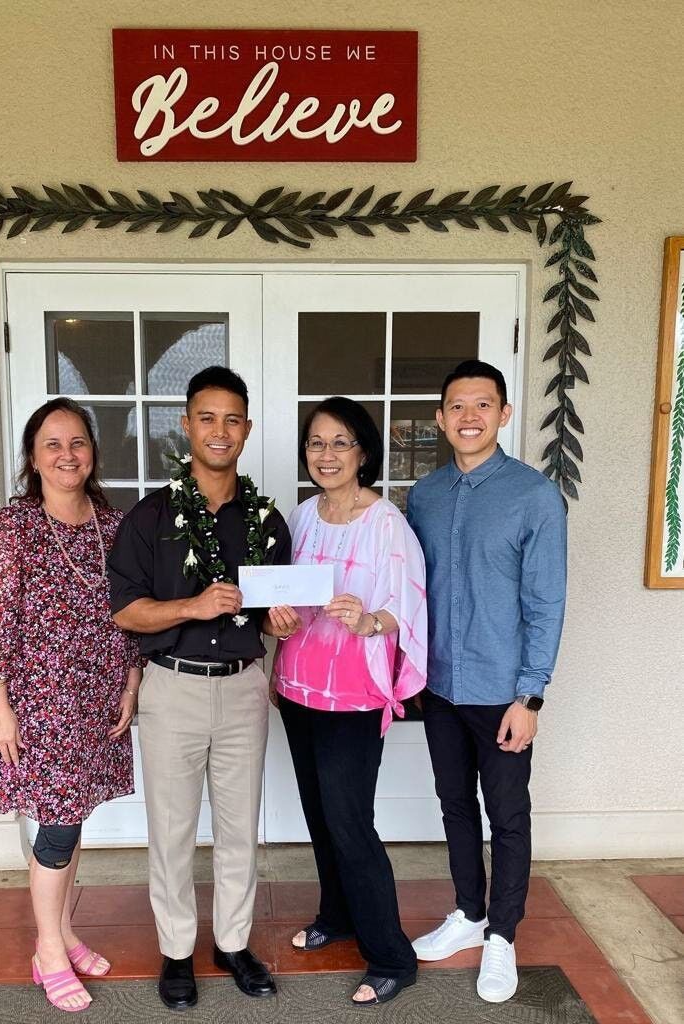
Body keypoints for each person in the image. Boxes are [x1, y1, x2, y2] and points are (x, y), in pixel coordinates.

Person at [108, 366, 291, 1011]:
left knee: (242, 828)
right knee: (173, 829)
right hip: (172, 689)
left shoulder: (267, 521)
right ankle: (177, 950)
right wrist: (192, 607)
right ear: (186, 426)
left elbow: (272, 609)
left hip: (243, 688)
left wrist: (282, 620)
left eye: (232, 419)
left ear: (247, 429)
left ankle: (234, 943)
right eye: (206, 418)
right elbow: (126, 610)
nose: (220, 430)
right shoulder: (149, 516)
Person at [0, 397, 141, 1014]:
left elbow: (131, 615)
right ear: (33, 459)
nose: (67, 455)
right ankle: (46, 949)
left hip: (99, 699)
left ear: (93, 454)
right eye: (52, 444)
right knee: (59, 827)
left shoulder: (114, 526)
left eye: (78, 443)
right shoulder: (12, 528)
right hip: (38, 704)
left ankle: (65, 932)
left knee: (73, 819)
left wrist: (130, 683)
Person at [406, 359, 567, 1004]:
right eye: (456, 406)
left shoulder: (534, 496)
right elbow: (410, 588)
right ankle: (468, 916)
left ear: (503, 414)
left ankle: (502, 936)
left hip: (504, 691)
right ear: (441, 418)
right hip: (441, 686)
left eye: (482, 405)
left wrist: (530, 696)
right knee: (453, 807)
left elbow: (545, 604)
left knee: (508, 815)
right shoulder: (425, 494)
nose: (468, 417)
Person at [269, 397, 427, 1007]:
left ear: (363, 451)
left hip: (354, 696)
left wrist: (368, 621)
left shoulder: (386, 522)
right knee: (319, 815)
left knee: (350, 822)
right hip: (299, 688)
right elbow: (282, 592)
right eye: (316, 443)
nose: (327, 454)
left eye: (340, 443)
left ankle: (391, 954)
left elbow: (408, 605)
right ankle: (337, 915)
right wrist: (276, 618)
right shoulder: (303, 514)